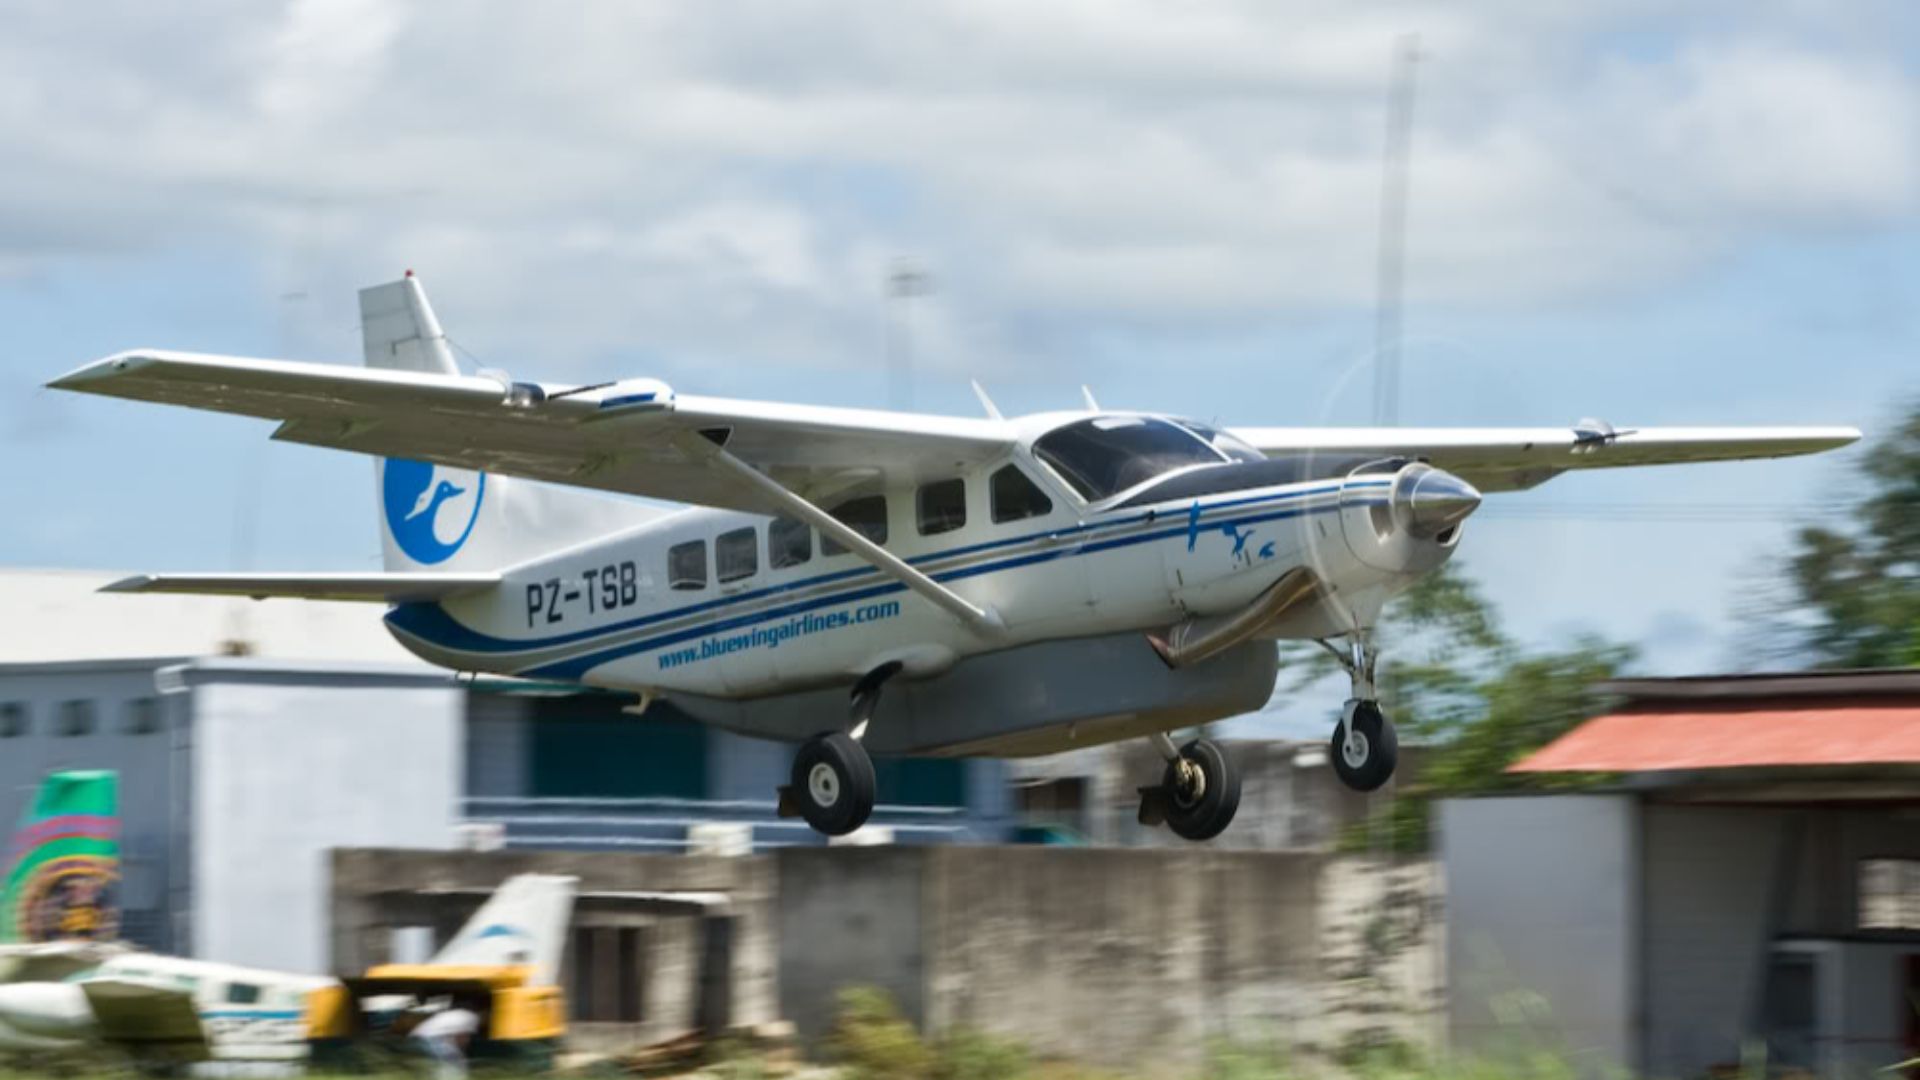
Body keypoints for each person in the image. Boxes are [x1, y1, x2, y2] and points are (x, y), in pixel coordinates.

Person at [408, 1006, 480, 1080]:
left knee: (450, 1059)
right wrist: (461, 1054)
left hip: (416, 1037)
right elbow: (461, 1037)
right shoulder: (471, 1018)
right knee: (455, 1061)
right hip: (427, 1038)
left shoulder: (456, 1014)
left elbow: (453, 1036)